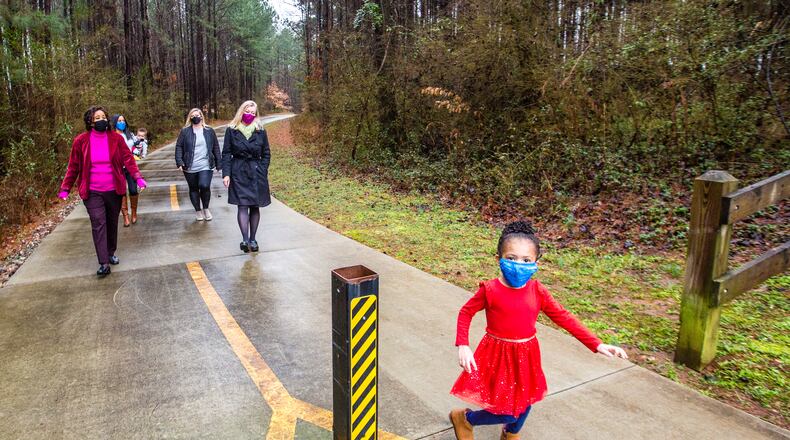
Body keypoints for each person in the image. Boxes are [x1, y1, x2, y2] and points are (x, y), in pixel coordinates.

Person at [448, 221, 627, 440]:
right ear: (498, 259)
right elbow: (466, 312)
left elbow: (563, 317)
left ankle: (510, 433)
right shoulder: (490, 290)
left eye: (526, 260)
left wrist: (596, 343)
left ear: (536, 263)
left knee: (525, 402)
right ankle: (466, 419)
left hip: (526, 355)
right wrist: (463, 345)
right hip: (498, 355)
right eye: (511, 258)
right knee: (506, 410)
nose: (518, 264)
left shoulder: (537, 291)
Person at [58, 106, 147, 277]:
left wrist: (138, 177)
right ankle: (104, 262)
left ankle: (111, 252)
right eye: (97, 118)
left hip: (114, 190)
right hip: (92, 191)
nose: (101, 120)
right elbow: (73, 166)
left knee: (111, 223)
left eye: (103, 117)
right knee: (98, 223)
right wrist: (65, 188)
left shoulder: (116, 139)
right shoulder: (81, 141)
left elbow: (128, 159)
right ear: (90, 122)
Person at [221, 100, 271, 253]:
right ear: (241, 112)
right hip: (238, 171)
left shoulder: (260, 130)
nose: (249, 115)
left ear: (256, 114)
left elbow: (266, 153)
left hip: (256, 172)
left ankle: (253, 239)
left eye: (252, 113)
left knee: (255, 206)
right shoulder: (232, 130)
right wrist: (226, 174)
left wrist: (262, 169)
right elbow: (226, 153)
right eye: (247, 112)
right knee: (242, 205)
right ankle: (245, 239)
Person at [175, 108, 221, 221]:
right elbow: (179, 146)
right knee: (193, 188)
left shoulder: (209, 131)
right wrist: (179, 161)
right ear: (190, 118)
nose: (195, 117)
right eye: (193, 115)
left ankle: (206, 208)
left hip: (206, 164)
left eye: (197, 115)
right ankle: (198, 211)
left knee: (204, 185)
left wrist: (219, 163)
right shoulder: (185, 131)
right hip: (189, 166)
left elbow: (215, 147)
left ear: (201, 116)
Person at [111, 114, 141, 226]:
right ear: (114, 122)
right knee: (121, 191)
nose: (122, 122)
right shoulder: (112, 136)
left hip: (130, 166)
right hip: (118, 168)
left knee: (133, 190)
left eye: (123, 120)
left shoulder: (129, 135)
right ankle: (125, 216)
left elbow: (134, 147)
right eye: (119, 121)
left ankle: (134, 213)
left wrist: (137, 149)